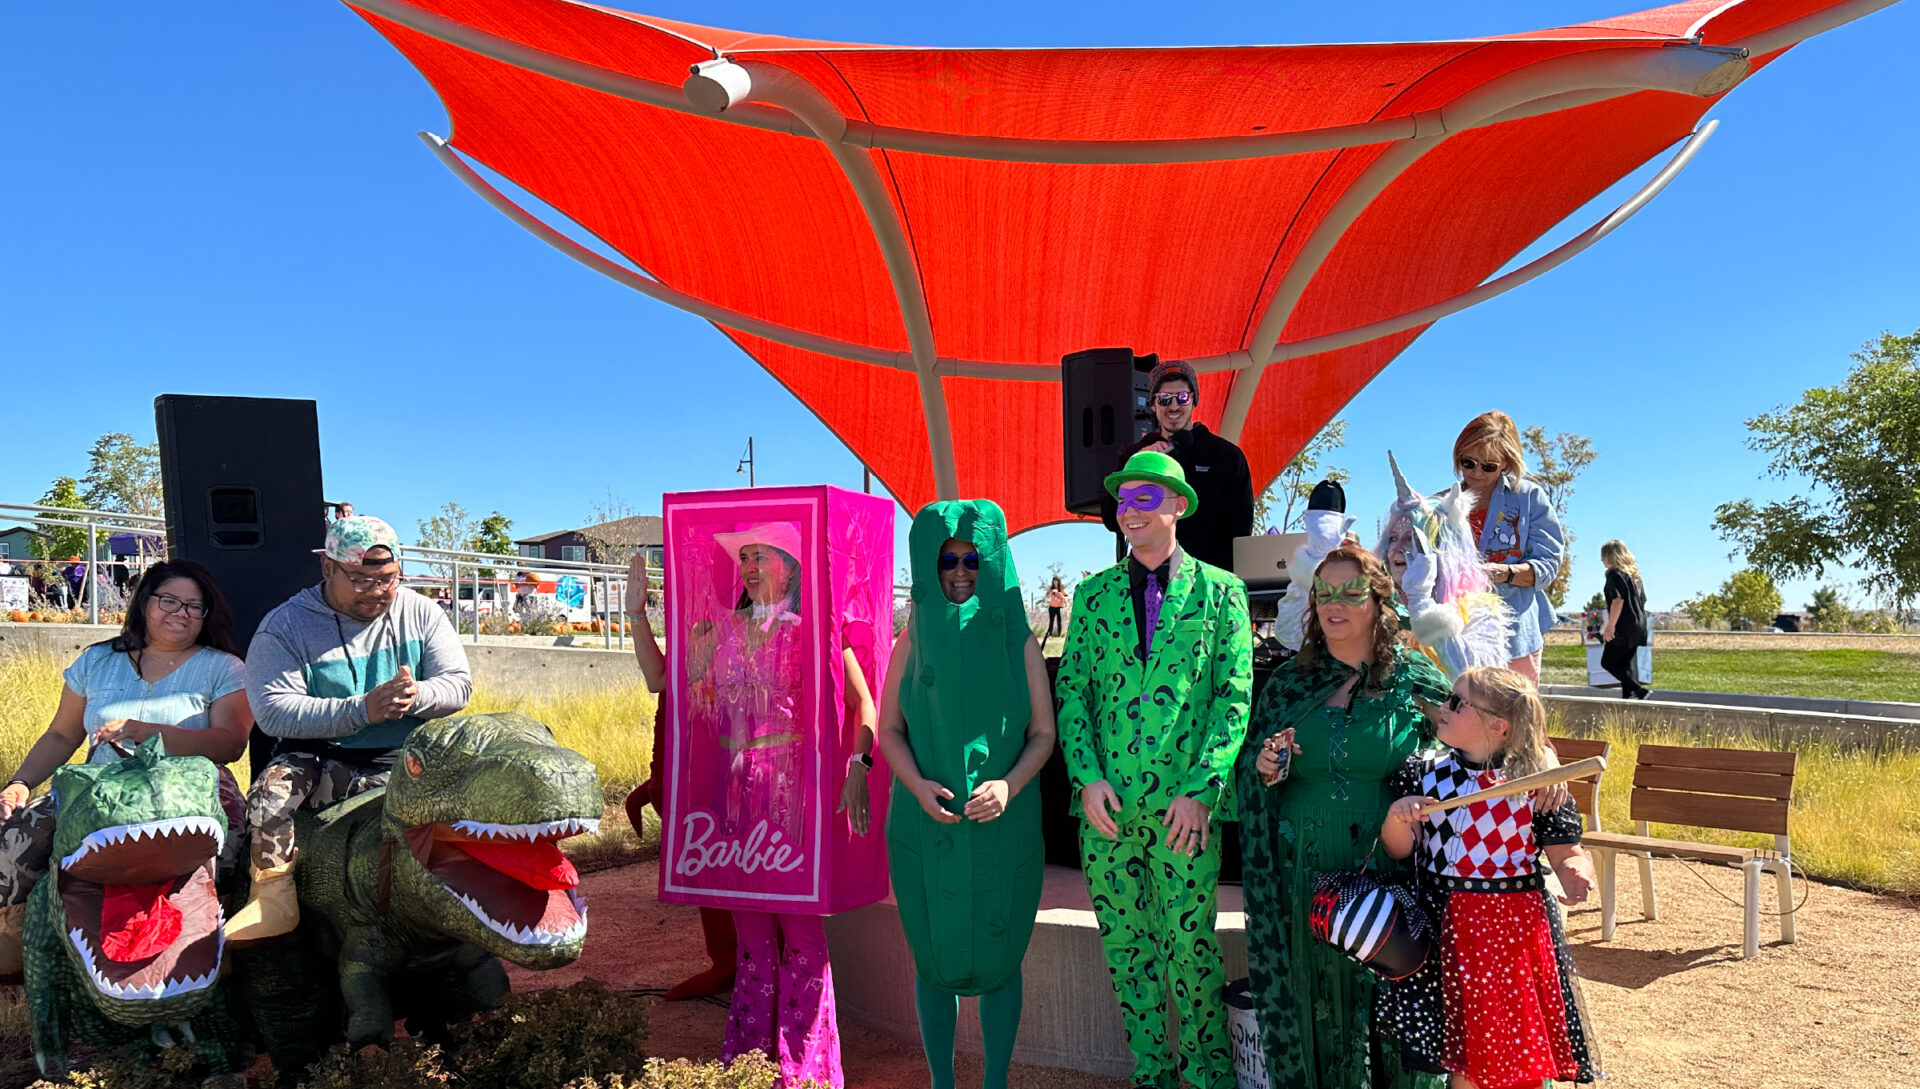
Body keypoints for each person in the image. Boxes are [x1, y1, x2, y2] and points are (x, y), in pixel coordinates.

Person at [1057, 450, 1251, 1089]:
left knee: (1191, 956)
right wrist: (1086, 779)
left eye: (1145, 498)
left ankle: (1206, 1078)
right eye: (1122, 499)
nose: (1129, 510)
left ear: (1176, 507)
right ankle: (1152, 1076)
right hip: (1107, 816)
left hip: (1183, 816)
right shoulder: (1090, 596)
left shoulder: (1222, 594)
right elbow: (1073, 694)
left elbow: (1233, 696)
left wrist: (1203, 789)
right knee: (1129, 957)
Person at [1236, 543, 1449, 1089]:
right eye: (1324, 593)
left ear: (1380, 602)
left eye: (1351, 594)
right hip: (1304, 867)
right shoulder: (1289, 682)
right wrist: (1266, 766)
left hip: (1389, 867)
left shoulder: (1414, 681)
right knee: (1317, 1002)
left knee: (1390, 1002)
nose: (1335, 605)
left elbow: (1473, 745)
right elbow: (1251, 773)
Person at [687, 524, 875, 1089]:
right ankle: (750, 1065)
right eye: (742, 557)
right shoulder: (722, 632)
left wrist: (858, 768)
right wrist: (644, 615)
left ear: (789, 566)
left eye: (759, 556)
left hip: (794, 796)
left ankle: (807, 1071)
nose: (747, 566)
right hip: (737, 798)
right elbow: (674, 686)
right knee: (750, 940)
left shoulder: (815, 629)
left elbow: (864, 704)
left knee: (802, 936)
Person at [876, 501, 1056, 1089]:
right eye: (948, 559)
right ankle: (941, 1082)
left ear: (991, 563)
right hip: (926, 824)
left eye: (971, 559)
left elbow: (1043, 735)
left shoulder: (1018, 642)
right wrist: (917, 785)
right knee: (935, 960)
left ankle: (996, 1081)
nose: (959, 570)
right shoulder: (912, 640)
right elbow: (889, 731)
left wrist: (1009, 784)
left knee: (1002, 962)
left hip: (1004, 822)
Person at [225, 516, 472, 941]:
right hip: (323, 760)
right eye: (360, 580)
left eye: (389, 579)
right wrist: (362, 709)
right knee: (272, 791)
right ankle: (272, 896)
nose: (378, 591)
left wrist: (416, 696)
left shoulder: (422, 612)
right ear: (328, 568)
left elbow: (458, 683)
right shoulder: (284, 626)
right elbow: (273, 712)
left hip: (406, 758)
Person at [0, 561, 253, 972]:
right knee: (12, 844)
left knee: (227, 858)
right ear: (144, 603)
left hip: (182, 790)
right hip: (97, 788)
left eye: (194, 606)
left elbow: (230, 745)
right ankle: (28, 954)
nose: (181, 612)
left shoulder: (223, 667)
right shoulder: (97, 660)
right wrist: (20, 783)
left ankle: (210, 955)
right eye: (168, 600)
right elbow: (62, 736)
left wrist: (149, 732)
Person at [1377, 667, 1603, 1088]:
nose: (1443, 707)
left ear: (1498, 725)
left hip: (1509, 933)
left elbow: (1566, 850)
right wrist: (1396, 818)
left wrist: (1576, 873)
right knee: (1465, 1051)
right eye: (1448, 697)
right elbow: (1399, 849)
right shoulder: (1424, 770)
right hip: (1444, 927)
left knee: (1517, 1045)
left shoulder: (1536, 782)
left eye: (1457, 703)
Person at [620, 549, 738, 1001]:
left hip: (724, 774)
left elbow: (691, 687)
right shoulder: (698, 627)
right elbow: (660, 680)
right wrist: (635, 614)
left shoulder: (737, 630)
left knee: (733, 868)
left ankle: (749, 962)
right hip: (682, 774)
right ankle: (727, 960)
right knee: (707, 869)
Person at [1098, 358, 1254, 572]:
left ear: (1194, 401)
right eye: (1164, 399)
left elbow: (1240, 531)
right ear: (1152, 404)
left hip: (1207, 582)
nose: (1174, 406)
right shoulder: (1136, 454)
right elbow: (1111, 520)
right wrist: (1136, 468)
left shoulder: (1226, 456)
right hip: (1149, 580)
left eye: (1182, 397)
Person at [1444, 412, 1564, 683]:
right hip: (1455, 639)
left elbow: (1549, 562)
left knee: (1515, 720)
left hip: (1515, 638)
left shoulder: (1529, 497)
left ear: (1506, 464)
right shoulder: (1441, 505)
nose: (1476, 473)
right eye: (1468, 463)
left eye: (1488, 466)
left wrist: (1506, 573)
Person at [1598, 541, 1650, 700]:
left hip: (1624, 624)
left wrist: (1610, 626)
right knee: (1626, 664)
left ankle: (1638, 690)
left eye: (1603, 556)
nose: (1602, 560)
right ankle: (1629, 698)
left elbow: (1617, 600)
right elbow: (1644, 600)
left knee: (1608, 662)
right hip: (1639, 623)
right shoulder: (1635, 577)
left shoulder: (1614, 575)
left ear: (1610, 556)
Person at [1044, 575, 1067, 641]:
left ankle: (1059, 634)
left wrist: (1060, 594)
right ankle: (1050, 634)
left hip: (1059, 607)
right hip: (1052, 607)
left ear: (1059, 581)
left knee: (1059, 621)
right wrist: (1052, 592)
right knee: (1051, 621)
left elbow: (1065, 597)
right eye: (1054, 580)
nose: (1055, 582)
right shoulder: (1051, 588)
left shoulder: (1061, 588)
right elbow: (1047, 596)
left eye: (1057, 580)